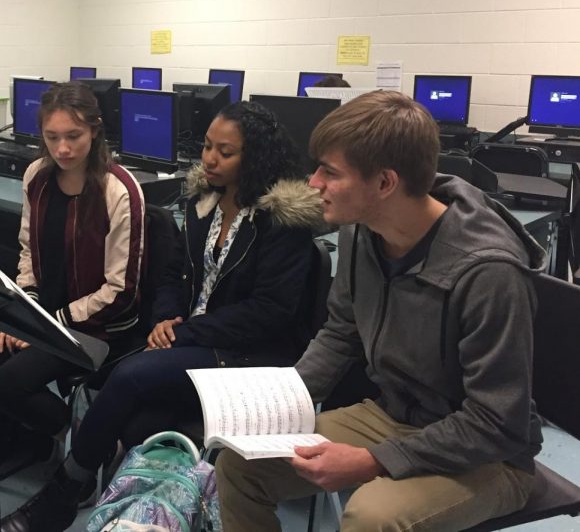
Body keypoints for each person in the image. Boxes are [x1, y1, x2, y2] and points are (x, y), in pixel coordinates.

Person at [216, 90, 545, 531]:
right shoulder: (361, 232)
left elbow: (496, 422)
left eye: (330, 173)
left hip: (489, 453)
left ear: (385, 183)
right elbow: (340, 332)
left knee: (372, 516)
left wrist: (374, 460)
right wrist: (275, 403)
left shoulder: (488, 273)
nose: (313, 183)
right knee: (239, 465)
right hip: (393, 415)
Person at [0, 101, 325, 532]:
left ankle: (65, 492)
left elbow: (270, 313)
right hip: (191, 337)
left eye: (225, 152)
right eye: (207, 146)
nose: (209, 158)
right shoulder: (202, 201)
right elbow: (173, 273)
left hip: (245, 354)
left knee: (130, 377)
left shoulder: (280, 221)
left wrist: (186, 330)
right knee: (136, 421)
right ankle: (140, 508)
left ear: (256, 157)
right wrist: (167, 315)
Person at [0, 82, 145, 464]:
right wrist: (25, 309)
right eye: (52, 137)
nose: (62, 149)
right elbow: (28, 252)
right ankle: (58, 435)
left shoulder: (118, 190)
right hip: (43, 314)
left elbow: (120, 290)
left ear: (95, 130)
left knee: (8, 384)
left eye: (74, 136)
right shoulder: (37, 177)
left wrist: (50, 324)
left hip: (92, 326)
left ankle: (87, 449)